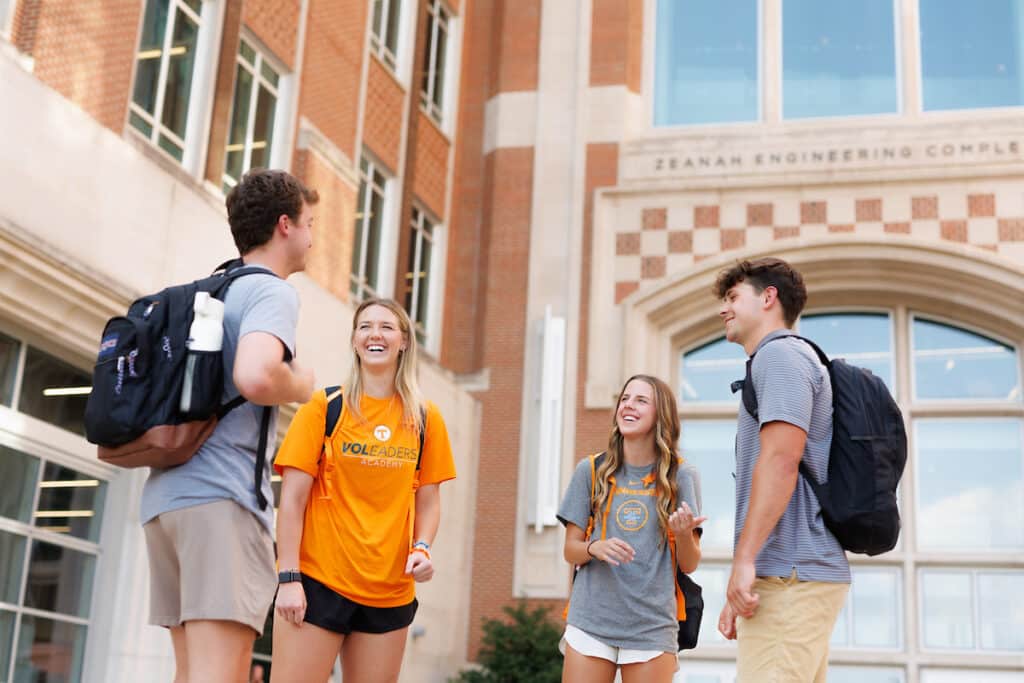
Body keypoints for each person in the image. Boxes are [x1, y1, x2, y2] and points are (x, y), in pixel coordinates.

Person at [140, 169, 318, 682]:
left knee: (191, 671)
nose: (312, 236)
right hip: (222, 499)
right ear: (285, 225)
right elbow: (256, 374)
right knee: (222, 673)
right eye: (310, 223)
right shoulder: (271, 293)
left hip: (166, 500)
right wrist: (302, 384)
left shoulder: (211, 288)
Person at [270, 298, 457, 683]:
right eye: (365, 326)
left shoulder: (425, 418)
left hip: (390, 591)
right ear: (354, 340)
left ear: (404, 341)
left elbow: (429, 499)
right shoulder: (324, 407)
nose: (375, 334)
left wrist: (422, 547)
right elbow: (291, 500)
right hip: (318, 582)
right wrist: (288, 578)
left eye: (387, 327)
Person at [714, 258, 850, 682]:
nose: (724, 309)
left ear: (768, 297)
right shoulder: (780, 360)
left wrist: (745, 561)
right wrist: (744, 578)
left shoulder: (780, 356)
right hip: (789, 576)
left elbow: (780, 461)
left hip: (791, 577)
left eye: (733, 297)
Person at [557, 374, 704, 683]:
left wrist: (681, 534)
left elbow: (689, 564)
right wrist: (593, 547)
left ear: (659, 414)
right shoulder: (592, 469)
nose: (628, 405)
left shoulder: (682, 475)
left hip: (651, 626)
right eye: (625, 398)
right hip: (590, 621)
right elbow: (570, 550)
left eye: (640, 400)